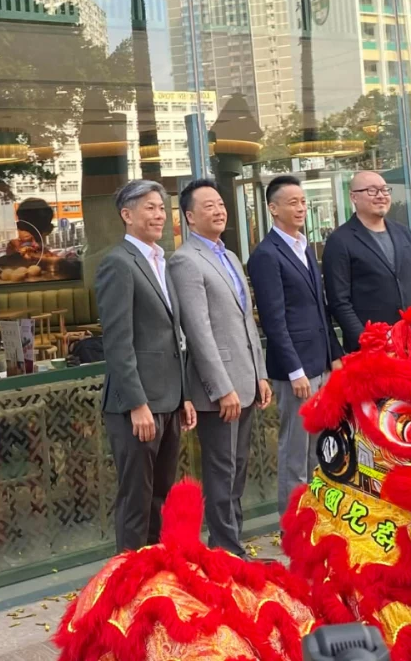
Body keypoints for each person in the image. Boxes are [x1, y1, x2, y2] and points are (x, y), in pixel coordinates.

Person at [168, 179, 272, 554]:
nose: (218, 210)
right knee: (221, 470)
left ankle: (231, 543)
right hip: (220, 389)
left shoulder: (230, 257)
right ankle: (227, 552)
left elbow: (246, 322)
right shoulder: (185, 260)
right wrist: (221, 386)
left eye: (220, 203)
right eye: (208, 205)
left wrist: (259, 373)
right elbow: (198, 331)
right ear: (190, 217)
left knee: (238, 468)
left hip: (246, 378)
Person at [96, 179, 196, 552]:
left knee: (161, 496)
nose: (159, 215)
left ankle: (156, 571)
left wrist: (184, 395)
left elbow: (172, 337)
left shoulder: (161, 260)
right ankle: (128, 578)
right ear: (127, 215)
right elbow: (118, 343)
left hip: (168, 399)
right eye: (150, 207)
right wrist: (138, 404)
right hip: (136, 405)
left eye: (161, 207)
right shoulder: (118, 264)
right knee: (136, 499)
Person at [248, 175, 344, 514]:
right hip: (296, 370)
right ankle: (294, 522)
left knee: (319, 445)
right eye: (292, 202)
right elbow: (274, 321)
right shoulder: (266, 255)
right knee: (294, 447)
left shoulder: (304, 246)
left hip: (320, 361)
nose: (301, 207)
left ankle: (318, 513)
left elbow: (321, 308)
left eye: (303, 201)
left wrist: (335, 356)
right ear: (273, 209)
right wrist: (294, 370)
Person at [322, 171, 411, 353]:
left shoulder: (403, 233)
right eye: (372, 191)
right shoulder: (340, 241)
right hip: (370, 352)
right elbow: (339, 302)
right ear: (354, 197)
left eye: (385, 190)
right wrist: (369, 343)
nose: (381, 196)